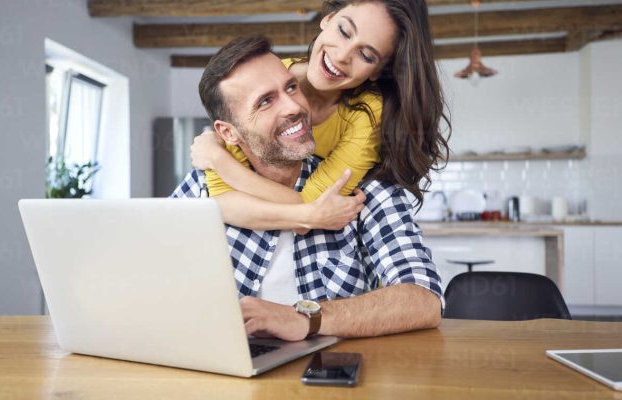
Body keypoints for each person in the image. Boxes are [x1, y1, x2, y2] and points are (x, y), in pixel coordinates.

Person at [172, 36, 442, 341]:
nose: (295, 107)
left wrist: (305, 318)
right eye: (265, 101)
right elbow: (149, 277)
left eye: (290, 87)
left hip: (331, 379)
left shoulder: (365, 190)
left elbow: (424, 300)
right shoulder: (199, 189)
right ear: (228, 133)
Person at [191, 0, 450, 232]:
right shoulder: (266, 74)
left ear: (378, 72)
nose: (341, 56)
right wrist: (308, 216)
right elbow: (222, 200)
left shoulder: (368, 114)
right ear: (327, 19)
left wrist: (220, 161)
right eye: (344, 31)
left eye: (366, 55)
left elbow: (314, 202)